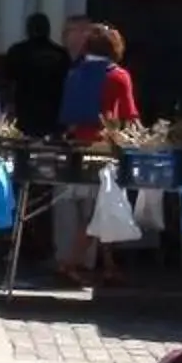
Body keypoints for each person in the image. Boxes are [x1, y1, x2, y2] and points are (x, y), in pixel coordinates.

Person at [56, 25, 143, 284]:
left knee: (100, 207)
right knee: (100, 208)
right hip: (105, 149)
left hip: (78, 149)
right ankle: (69, 263)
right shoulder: (118, 76)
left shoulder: (74, 74)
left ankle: (109, 265)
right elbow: (129, 115)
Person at [0, 13, 73, 135]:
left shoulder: (17, 51)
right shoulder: (61, 53)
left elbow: (7, 80)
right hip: (53, 112)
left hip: (24, 111)